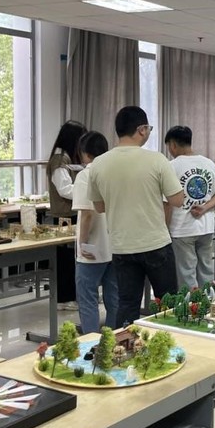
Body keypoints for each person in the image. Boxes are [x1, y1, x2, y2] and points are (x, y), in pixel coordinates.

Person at [87, 106, 182, 327]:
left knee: (127, 304)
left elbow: (99, 206)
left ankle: (125, 345)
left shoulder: (99, 163)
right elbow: (177, 200)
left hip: (122, 246)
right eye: (148, 128)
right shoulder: (156, 160)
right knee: (168, 303)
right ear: (141, 129)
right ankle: (169, 343)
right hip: (156, 243)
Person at [165, 126, 215, 291]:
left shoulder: (171, 166)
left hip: (181, 229)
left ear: (173, 144)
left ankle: (191, 306)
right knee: (206, 273)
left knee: (186, 275)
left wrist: (166, 228)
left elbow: (167, 202)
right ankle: (207, 303)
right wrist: (205, 207)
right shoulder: (209, 163)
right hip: (206, 227)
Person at [71, 131, 118, 335]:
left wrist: (82, 243)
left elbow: (87, 213)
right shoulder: (115, 173)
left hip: (93, 248)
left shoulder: (86, 175)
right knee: (114, 297)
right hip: (115, 245)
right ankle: (114, 339)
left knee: (88, 298)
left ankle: (90, 341)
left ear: (84, 153)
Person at [47, 120, 87, 311]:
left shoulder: (68, 158)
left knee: (72, 258)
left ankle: (73, 295)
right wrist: (86, 191)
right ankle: (64, 298)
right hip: (65, 216)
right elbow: (64, 189)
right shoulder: (59, 159)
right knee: (65, 259)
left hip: (72, 213)